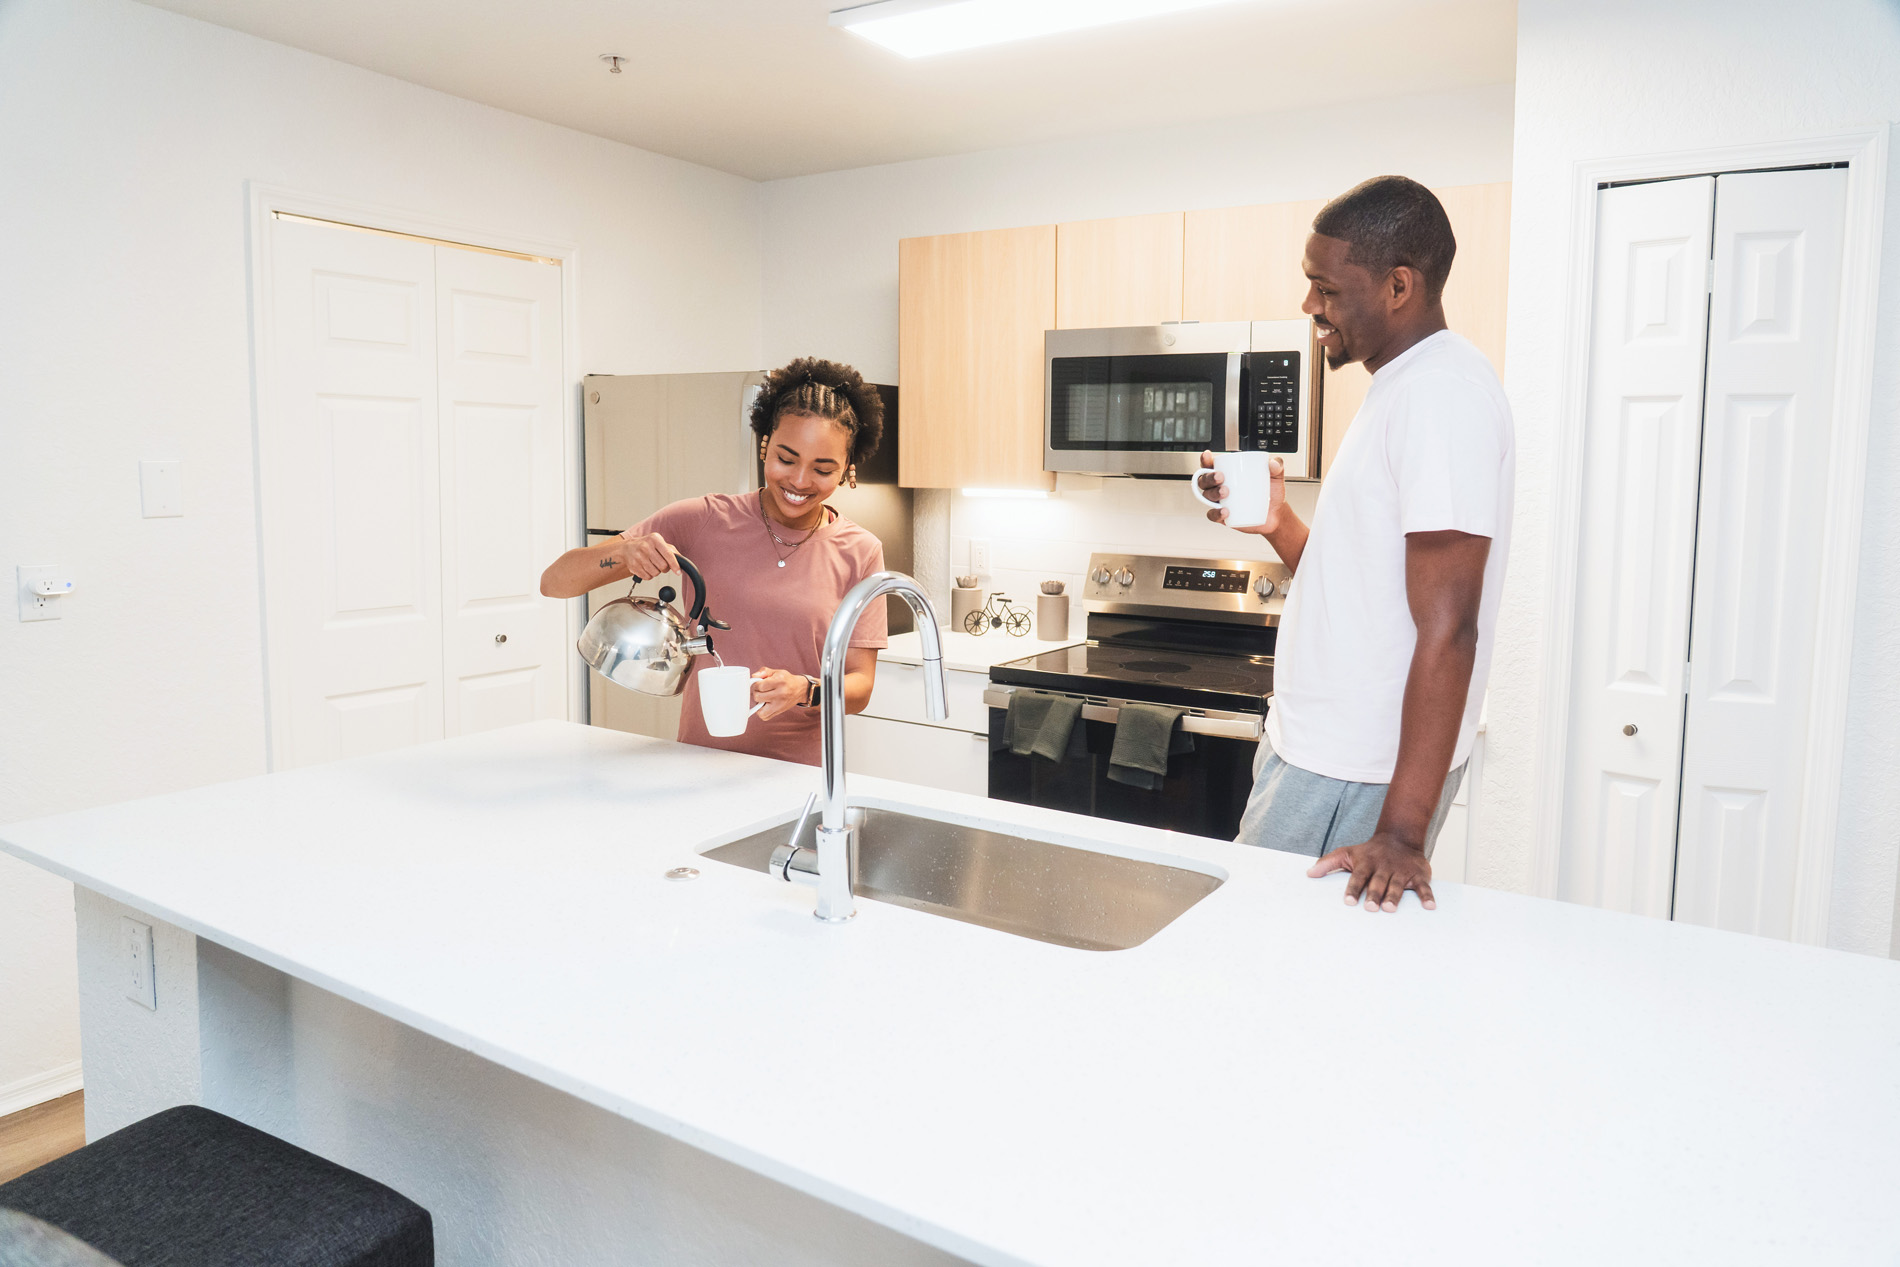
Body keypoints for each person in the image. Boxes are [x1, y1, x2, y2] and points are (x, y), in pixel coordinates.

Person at [1197, 175, 1514, 914]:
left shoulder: (1441, 396)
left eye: (1327, 288)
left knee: (1267, 965)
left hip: (1349, 773)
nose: (1311, 305)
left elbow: (1451, 627)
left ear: (1399, 286)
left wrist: (1402, 832)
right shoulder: (1398, 388)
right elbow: (1359, 588)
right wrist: (1277, 520)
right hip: (1317, 756)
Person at [539, 358, 889, 766]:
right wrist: (622, 552)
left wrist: (805, 689)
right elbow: (555, 582)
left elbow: (861, 687)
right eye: (786, 458)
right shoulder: (703, 520)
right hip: (698, 763)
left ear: (847, 470)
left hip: (802, 775)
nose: (799, 481)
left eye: (822, 469)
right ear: (765, 445)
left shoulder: (860, 551)